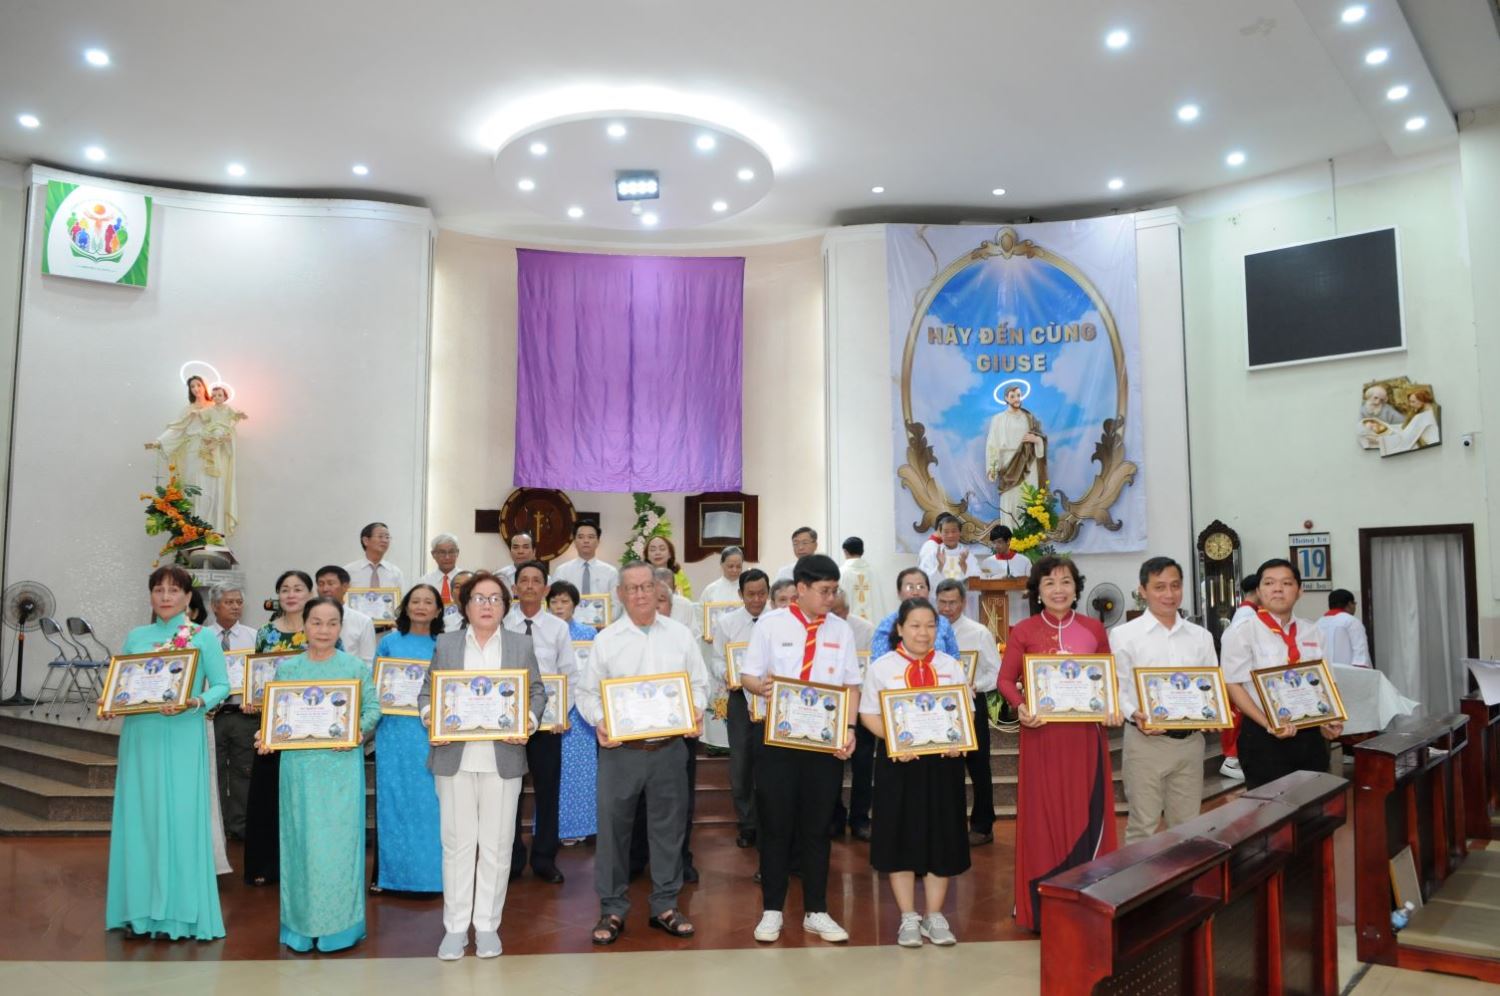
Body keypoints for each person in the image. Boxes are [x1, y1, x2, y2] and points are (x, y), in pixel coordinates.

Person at [575, 561, 708, 946]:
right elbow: (586, 693)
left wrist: (694, 709)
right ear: (620, 594)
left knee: (669, 830)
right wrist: (601, 721)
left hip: (669, 749)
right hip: (622, 752)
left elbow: (700, 684)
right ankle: (612, 908)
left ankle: (665, 905)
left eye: (646, 586)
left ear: (658, 589)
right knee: (613, 831)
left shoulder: (680, 636)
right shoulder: (607, 640)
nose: (640, 594)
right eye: (631, 588)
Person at [102, 566, 231, 940]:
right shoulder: (136, 636)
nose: (165, 596)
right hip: (140, 736)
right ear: (150, 595)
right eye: (158, 589)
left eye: (174, 590)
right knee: (141, 819)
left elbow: (222, 685)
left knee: (180, 818)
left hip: (182, 734)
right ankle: (140, 912)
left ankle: (178, 915)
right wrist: (111, 703)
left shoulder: (201, 637)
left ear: (188, 597)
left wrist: (196, 702)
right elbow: (123, 683)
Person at [420, 572, 544, 960]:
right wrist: (431, 718)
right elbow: (427, 692)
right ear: (465, 606)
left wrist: (528, 721)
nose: (486, 605)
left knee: (497, 845)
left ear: (505, 606)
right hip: (454, 757)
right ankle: (455, 929)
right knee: (457, 845)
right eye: (479, 598)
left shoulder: (521, 645)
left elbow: (537, 691)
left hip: (502, 758)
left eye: (494, 599)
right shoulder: (447, 643)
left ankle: (487, 926)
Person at [741, 554, 861, 945]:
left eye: (834, 591)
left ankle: (817, 910)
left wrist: (849, 728)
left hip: (824, 744)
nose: (830, 598)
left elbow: (851, 685)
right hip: (777, 741)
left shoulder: (841, 630)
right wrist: (763, 687)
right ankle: (772, 909)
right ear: (802, 589)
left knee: (817, 827)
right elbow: (747, 675)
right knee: (775, 825)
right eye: (824, 591)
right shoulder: (771, 625)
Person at [998, 555, 1120, 933]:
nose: (1058, 589)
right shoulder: (1024, 631)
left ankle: (1089, 904)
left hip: (1085, 740)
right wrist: (1021, 707)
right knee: (1044, 818)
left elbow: (1107, 679)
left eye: (1065, 582)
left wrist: (1110, 706)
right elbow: (1005, 681)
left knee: (1086, 812)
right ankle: (1043, 907)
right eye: (1049, 582)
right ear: (1037, 591)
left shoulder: (1093, 629)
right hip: (1042, 737)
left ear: (1076, 588)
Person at [256, 597, 380, 953]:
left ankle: (339, 928)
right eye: (316, 622)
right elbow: (276, 716)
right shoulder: (288, 670)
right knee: (300, 845)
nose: (323, 630)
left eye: (331, 623)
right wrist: (267, 734)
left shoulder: (354, 667)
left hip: (340, 770)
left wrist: (356, 732)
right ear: (304, 626)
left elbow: (373, 709)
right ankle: (299, 925)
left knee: (338, 847)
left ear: (341, 627)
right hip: (298, 771)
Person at [861, 598, 970, 947]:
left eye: (930, 626)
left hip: (943, 765)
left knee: (942, 837)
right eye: (915, 625)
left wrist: (959, 739)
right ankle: (908, 916)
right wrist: (894, 740)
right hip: (899, 765)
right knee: (900, 836)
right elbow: (868, 714)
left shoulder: (951, 666)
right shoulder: (882, 667)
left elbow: (964, 711)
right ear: (900, 628)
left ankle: (934, 915)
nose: (923, 633)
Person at [1111, 557, 1219, 844]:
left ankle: (1184, 875)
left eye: (1175, 586)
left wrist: (1212, 712)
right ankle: (1140, 876)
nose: (1169, 594)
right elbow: (1118, 687)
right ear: (1142, 591)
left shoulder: (1201, 637)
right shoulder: (1123, 635)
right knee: (1142, 827)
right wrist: (1134, 713)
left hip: (1191, 744)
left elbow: (1211, 686)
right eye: (1159, 587)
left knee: (1187, 828)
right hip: (1145, 743)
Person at [1221, 559, 1342, 791]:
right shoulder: (1241, 632)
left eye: (1286, 583)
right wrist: (1268, 723)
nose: (1277, 589)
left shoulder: (1313, 631)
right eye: (1269, 583)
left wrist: (1330, 719)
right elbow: (1233, 684)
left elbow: (1327, 681)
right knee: (1269, 808)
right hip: (1263, 735)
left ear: (1299, 591)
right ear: (1258, 591)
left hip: (1310, 735)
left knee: (1313, 803)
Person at [504, 559, 576, 885]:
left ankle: (545, 858)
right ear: (515, 587)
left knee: (548, 792)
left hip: (548, 726)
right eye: (524, 580)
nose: (530, 586)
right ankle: (512, 858)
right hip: (509, 724)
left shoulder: (558, 628)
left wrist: (563, 713)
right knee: (510, 792)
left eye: (537, 581)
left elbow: (570, 675)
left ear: (546, 589)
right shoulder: (502, 623)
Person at [242, 569, 316, 886]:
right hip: (274, 726)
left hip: (310, 724)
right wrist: (253, 699)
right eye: (284, 589)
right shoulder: (265, 633)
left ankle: (305, 865)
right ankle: (266, 865)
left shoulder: (320, 629)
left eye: (298, 588)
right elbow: (259, 677)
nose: (291, 594)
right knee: (267, 794)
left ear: (310, 594)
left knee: (304, 797)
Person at [372, 584, 445, 893]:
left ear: (438, 610)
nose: (421, 606)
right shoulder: (389, 643)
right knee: (395, 801)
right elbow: (374, 687)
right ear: (405, 606)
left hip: (430, 733)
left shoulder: (445, 645)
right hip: (394, 733)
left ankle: (433, 877)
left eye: (428, 602)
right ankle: (392, 877)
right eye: (415, 601)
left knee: (431, 804)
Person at [934, 579, 1001, 845]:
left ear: (963, 603)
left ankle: (983, 825)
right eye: (942, 602)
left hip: (973, 702)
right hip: (938, 708)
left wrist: (975, 685)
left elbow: (995, 673)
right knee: (945, 768)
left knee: (978, 765)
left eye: (953, 603)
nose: (947, 608)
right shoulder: (928, 630)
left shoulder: (978, 632)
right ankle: (948, 824)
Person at [713, 568, 771, 848]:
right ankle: (747, 824)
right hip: (739, 698)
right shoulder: (727, 623)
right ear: (740, 594)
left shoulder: (777, 621)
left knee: (770, 763)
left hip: (771, 698)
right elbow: (716, 660)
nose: (757, 600)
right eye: (751, 594)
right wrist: (727, 674)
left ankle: (770, 823)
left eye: (762, 594)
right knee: (741, 763)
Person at [144, 374, 239, 537]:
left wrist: (224, 437)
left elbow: (227, 425)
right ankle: (194, 531)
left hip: (212, 451)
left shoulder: (215, 406)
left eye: (198, 385)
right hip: (194, 450)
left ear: (204, 386)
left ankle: (214, 530)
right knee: (195, 487)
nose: (196, 389)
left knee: (213, 488)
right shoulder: (188, 409)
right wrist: (159, 442)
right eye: (192, 386)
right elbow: (177, 429)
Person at [547, 580, 599, 843]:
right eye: (554, 601)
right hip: (552, 710)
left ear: (575, 605)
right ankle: (556, 829)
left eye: (565, 601)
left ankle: (587, 827)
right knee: (556, 771)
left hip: (582, 713)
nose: (559, 606)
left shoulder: (589, 634)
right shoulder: (543, 632)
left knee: (584, 772)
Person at [208, 583, 257, 840]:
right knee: (212, 771)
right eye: (229, 602)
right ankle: (215, 827)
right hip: (210, 716)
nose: (236, 606)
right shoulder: (201, 637)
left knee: (243, 772)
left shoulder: (254, 637)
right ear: (214, 606)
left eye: (239, 602)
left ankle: (240, 826)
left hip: (243, 714)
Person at [985, 382, 1047, 526]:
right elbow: (992, 445)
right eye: (1012, 396)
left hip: (1028, 463)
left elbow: (1040, 439)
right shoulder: (999, 419)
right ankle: (1010, 534)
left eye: (1018, 395)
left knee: (1028, 497)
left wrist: (1037, 440)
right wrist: (992, 468)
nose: (1016, 399)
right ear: (1006, 399)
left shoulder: (1029, 418)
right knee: (1010, 498)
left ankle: (1030, 535)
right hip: (1008, 463)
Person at [1218, 574, 1260, 781]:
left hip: (1242, 675)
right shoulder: (1248, 616)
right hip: (1241, 677)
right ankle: (1232, 760)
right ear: (1258, 590)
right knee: (1239, 720)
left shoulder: (1247, 612)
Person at [552, 521, 619, 628]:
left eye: (591, 537)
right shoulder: (562, 571)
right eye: (581, 537)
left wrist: (605, 623)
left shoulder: (611, 572)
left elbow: (616, 605)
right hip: (568, 628)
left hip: (602, 629)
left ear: (598, 541)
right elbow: (554, 602)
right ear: (574, 541)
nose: (586, 541)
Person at [316, 565, 378, 664]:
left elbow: (368, 662)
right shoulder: (310, 619)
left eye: (330, 583)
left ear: (345, 586)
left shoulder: (363, 621)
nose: (325, 589)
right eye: (321, 584)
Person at [919, 514, 980, 591]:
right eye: (946, 532)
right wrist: (939, 567)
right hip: (939, 597)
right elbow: (923, 582)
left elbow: (978, 583)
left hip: (962, 597)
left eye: (954, 531)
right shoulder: (933, 554)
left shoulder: (968, 556)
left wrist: (964, 567)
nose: (950, 535)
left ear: (960, 533)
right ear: (940, 533)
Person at [1316, 589, 1372, 668]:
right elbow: (1361, 653)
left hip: (1325, 672)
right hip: (1347, 672)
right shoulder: (1351, 621)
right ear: (1349, 604)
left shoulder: (1318, 623)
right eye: (1354, 603)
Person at [346, 522, 404, 591]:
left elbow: (401, 597)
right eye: (380, 536)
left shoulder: (396, 572)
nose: (385, 540)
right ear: (365, 541)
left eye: (387, 537)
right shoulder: (349, 571)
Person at [839, 536, 885, 624]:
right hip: (871, 624)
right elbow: (878, 601)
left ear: (845, 551)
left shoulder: (842, 572)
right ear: (862, 551)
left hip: (849, 625)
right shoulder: (872, 571)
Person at [418, 533, 466, 606]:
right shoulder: (425, 582)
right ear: (433, 554)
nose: (447, 557)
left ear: (457, 553)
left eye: (451, 552)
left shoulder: (467, 580)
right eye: (442, 552)